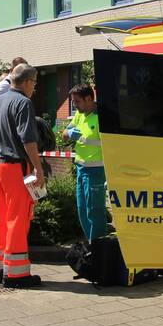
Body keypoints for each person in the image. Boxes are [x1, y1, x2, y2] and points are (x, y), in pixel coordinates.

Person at [0, 64, 45, 288]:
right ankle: (17, 274)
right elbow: (28, 139)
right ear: (28, 81)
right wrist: (37, 168)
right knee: (18, 217)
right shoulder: (23, 103)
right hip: (13, 167)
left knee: (1, 216)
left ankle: (1, 267)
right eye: (35, 84)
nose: (35, 89)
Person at [62, 84, 109, 243]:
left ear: (89, 99)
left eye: (77, 102)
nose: (74, 105)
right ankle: (92, 244)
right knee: (83, 211)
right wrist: (68, 132)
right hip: (81, 169)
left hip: (96, 171)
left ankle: (100, 247)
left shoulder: (101, 117)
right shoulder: (80, 115)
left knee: (95, 212)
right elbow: (64, 134)